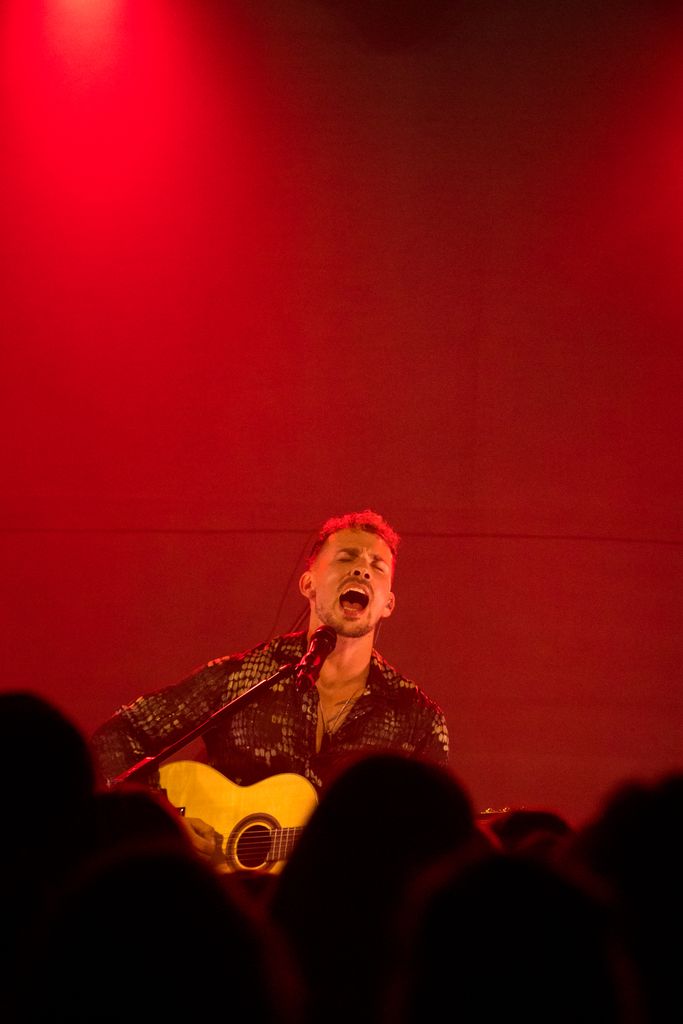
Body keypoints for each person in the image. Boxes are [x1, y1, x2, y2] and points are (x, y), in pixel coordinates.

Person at [90, 509, 449, 870]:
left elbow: (432, 843)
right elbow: (115, 737)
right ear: (308, 584)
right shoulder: (244, 676)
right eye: (346, 558)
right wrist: (166, 818)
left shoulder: (417, 719)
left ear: (388, 603)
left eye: (377, 565)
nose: (362, 570)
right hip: (227, 897)